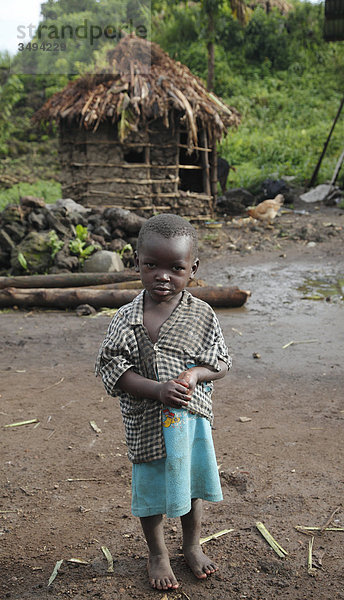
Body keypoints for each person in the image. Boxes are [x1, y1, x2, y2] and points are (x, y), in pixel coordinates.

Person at [96, 213, 231, 591]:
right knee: (151, 489)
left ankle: (191, 545)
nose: (163, 276)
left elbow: (219, 361)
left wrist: (194, 376)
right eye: (152, 265)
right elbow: (111, 368)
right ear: (136, 262)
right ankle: (157, 554)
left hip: (189, 423)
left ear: (193, 268)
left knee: (190, 484)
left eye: (176, 267)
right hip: (146, 422)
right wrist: (156, 389)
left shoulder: (201, 315)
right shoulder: (126, 319)